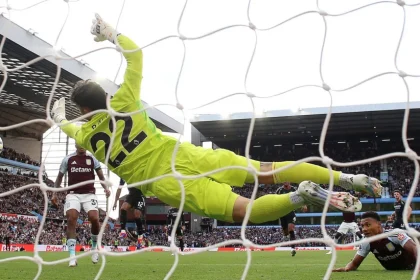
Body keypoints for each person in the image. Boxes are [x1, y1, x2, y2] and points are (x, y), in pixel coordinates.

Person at [51, 14, 382, 229]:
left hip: (168, 182)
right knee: (269, 170)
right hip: (187, 155)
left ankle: (300, 197)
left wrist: (58, 117)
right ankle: (347, 178)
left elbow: (69, 126)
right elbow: (136, 55)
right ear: (104, 95)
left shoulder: (84, 137)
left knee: (245, 211)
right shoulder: (124, 101)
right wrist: (109, 33)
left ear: (82, 110)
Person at [51, 144, 111, 267]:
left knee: (94, 218)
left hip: (89, 194)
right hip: (73, 194)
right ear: (76, 145)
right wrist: (54, 194)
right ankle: (72, 256)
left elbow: (101, 176)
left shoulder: (92, 159)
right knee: (72, 218)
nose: (82, 146)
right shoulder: (68, 159)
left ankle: (94, 248)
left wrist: (106, 188)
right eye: (80, 144)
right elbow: (59, 178)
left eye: (84, 144)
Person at [333, 211, 417, 272]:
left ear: (379, 224)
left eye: (368, 225)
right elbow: (354, 264)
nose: (364, 229)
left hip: (412, 267)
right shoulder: (366, 242)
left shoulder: (395, 234)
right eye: (362, 226)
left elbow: (415, 248)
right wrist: (346, 268)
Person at [275, 182, 307, 257]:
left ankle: (293, 249)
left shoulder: (294, 189)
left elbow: (301, 197)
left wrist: (304, 205)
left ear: (289, 181)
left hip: (291, 212)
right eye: (284, 180)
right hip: (282, 213)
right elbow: (274, 200)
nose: (285, 182)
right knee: (285, 232)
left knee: (291, 229)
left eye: (287, 180)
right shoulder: (279, 190)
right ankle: (286, 236)